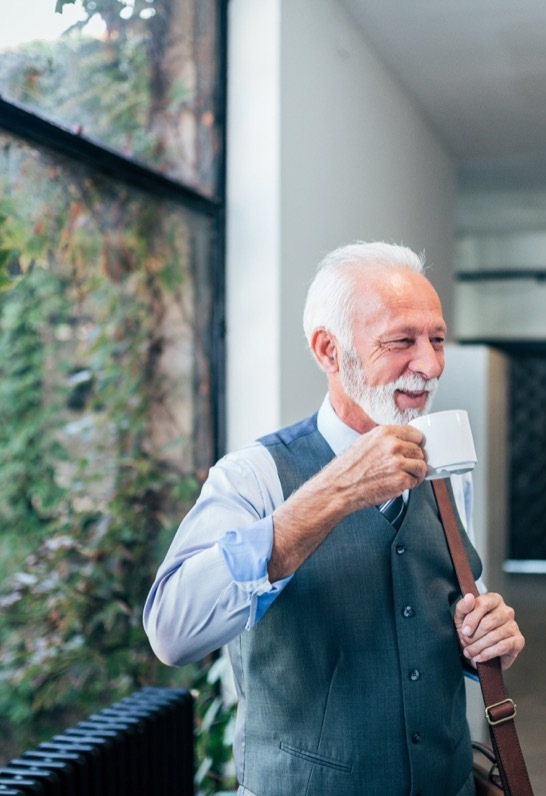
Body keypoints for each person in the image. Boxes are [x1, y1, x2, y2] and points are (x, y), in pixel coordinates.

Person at [143, 241, 524, 796]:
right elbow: (172, 632)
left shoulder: (447, 471)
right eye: (402, 341)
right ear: (329, 350)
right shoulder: (253, 476)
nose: (431, 364)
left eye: (437, 339)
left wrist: (487, 638)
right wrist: (333, 492)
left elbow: (445, 612)